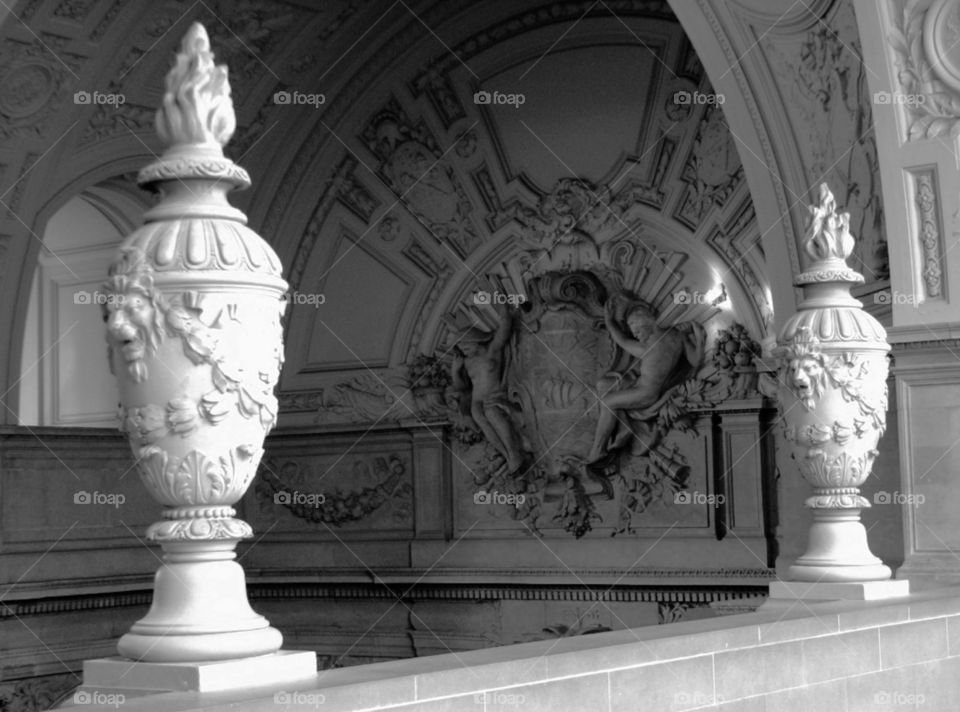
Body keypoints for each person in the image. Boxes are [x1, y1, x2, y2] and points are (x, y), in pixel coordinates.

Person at [587, 293, 704, 463]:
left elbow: (621, 340)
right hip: (639, 384)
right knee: (606, 384)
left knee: (607, 402)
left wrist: (609, 321)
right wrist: (699, 339)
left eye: (637, 329)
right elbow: (695, 360)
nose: (636, 334)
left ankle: (598, 450)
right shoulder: (677, 336)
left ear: (647, 322)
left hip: (645, 394)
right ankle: (621, 429)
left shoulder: (647, 347)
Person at [451, 303, 526, 473]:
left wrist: (504, 312)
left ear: (476, 341)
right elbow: (462, 388)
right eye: (461, 347)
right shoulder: (467, 362)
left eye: (466, 345)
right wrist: (455, 371)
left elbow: (504, 332)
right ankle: (508, 455)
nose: (463, 349)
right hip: (476, 402)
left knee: (493, 415)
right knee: (485, 425)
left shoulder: (492, 350)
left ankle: (514, 452)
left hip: (495, 395)